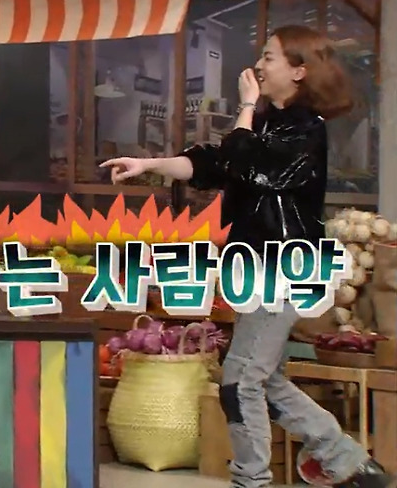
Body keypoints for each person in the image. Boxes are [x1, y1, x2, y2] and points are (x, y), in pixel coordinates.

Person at [101, 25, 394, 488]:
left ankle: (251, 480)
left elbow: (251, 165)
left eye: (270, 57)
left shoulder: (306, 129)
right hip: (254, 267)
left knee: (239, 381)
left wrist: (244, 108)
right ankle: (349, 462)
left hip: (286, 266)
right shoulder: (264, 124)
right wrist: (150, 164)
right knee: (264, 379)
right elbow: (212, 163)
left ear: (299, 71)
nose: (258, 65)